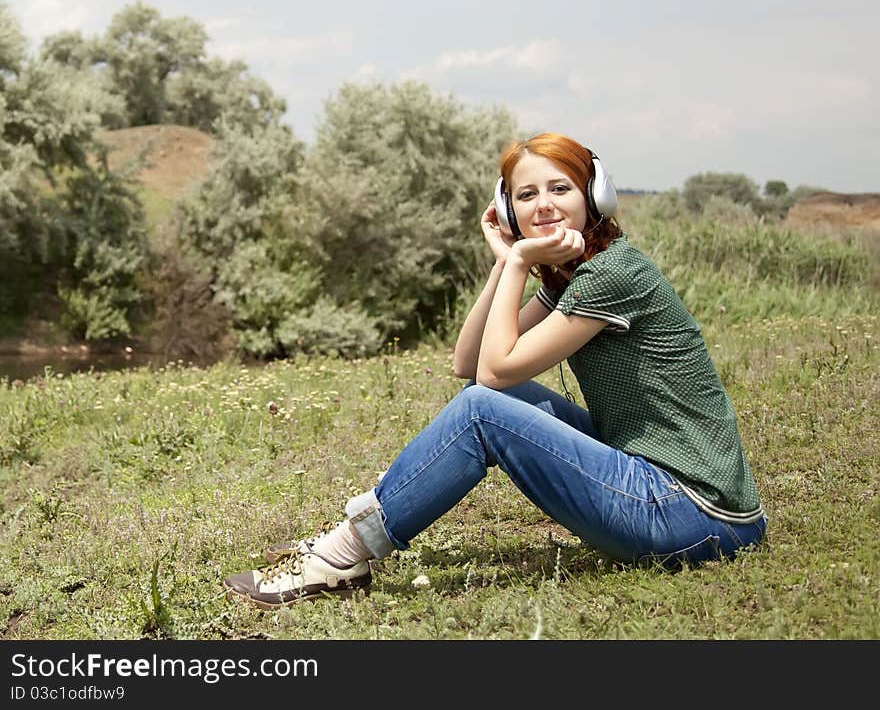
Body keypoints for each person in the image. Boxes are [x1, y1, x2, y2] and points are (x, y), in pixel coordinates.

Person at [224, 132, 767, 609]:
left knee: (484, 410)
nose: (545, 205)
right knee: (494, 400)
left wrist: (520, 262)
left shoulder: (612, 275)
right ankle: (347, 545)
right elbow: (468, 361)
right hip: (682, 503)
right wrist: (506, 265)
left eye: (560, 188)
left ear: (594, 196)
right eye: (526, 195)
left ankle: (341, 557)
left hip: (693, 517)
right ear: (507, 212)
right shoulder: (577, 279)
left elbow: (493, 374)